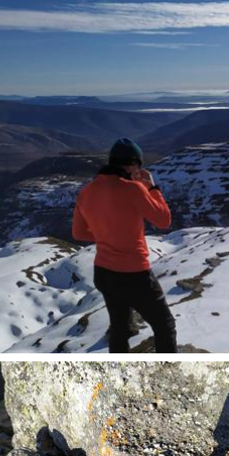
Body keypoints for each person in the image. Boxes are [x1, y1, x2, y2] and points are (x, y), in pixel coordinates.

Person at [72, 137, 177, 353]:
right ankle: (168, 373)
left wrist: (107, 234)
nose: (139, 171)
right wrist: (152, 187)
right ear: (132, 164)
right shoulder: (135, 189)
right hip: (134, 274)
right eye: (139, 166)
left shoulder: (86, 191)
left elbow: (79, 232)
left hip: (103, 273)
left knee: (120, 328)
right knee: (164, 325)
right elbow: (163, 220)